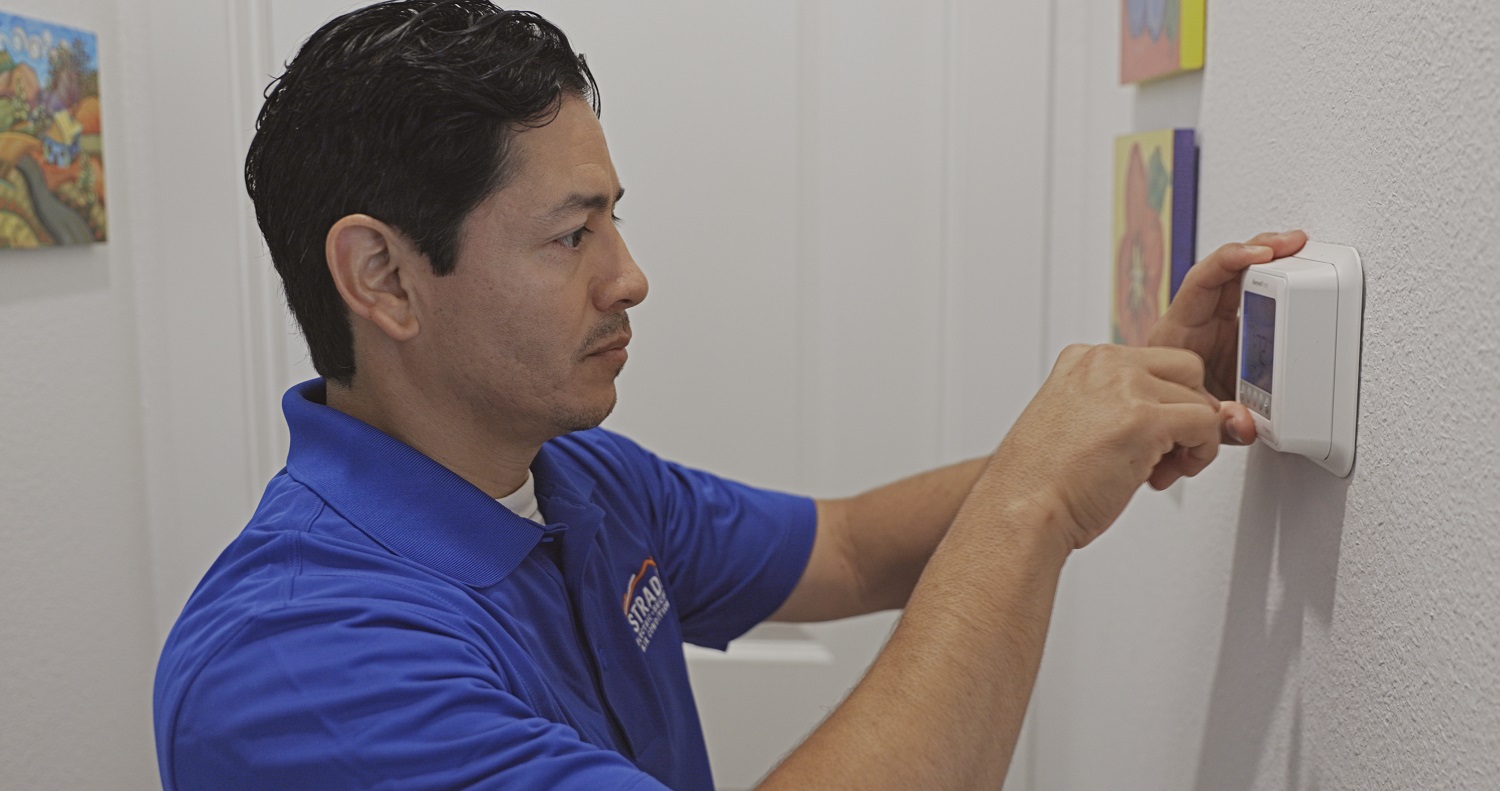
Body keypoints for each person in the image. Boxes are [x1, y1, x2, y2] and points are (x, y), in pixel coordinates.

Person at [152, 2, 1308, 789]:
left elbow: (848, 548)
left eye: (614, 214)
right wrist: (1034, 504)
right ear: (384, 276)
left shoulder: (575, 478)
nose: (630, 273)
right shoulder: (299, 667)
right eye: (571, 233)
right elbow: (982, 521)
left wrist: (1113, 415)